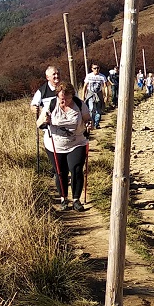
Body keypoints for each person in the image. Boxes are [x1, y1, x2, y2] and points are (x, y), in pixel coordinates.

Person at [37, 82, 91, 211]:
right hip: (55, 144)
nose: (64, 101)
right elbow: (39, 123)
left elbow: (87, 118)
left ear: (72, 95)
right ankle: (63, 199)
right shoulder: (51, 104)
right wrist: (45, 121)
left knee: (76, 169)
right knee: (60, 172)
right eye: (61, 98)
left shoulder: (79, 104)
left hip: (77, 142)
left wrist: (89, 124)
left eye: (67, 98)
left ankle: (76, 200)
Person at [82, 62, 108, 128]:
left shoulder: (102, 77)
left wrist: (106, 96)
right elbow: (85, 86)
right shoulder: (89, 76)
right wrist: (83, 96)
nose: (96, 69)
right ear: (92, 69)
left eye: (98, 68)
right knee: (91, 109)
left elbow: (105, 86)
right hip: (90, 94)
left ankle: (97, 123)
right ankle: (92, 122)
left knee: (98, 110)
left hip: (99, 94)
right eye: (95, 68)